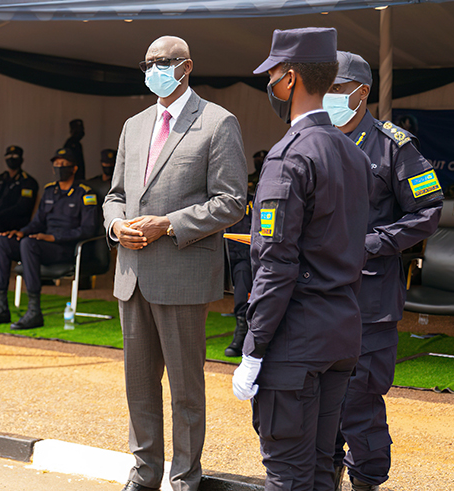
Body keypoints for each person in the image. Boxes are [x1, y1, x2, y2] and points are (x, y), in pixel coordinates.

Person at [103, 36, 247, 491]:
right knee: (139, 387)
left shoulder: (218, 122)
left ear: (186, 67)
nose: (153, 70)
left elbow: (231, 202)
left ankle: (185, 479)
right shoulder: (135, 124)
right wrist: (115, 227)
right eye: (146, 63)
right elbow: (115, 196)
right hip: (132, 274)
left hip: (182, 274)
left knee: (186, 391)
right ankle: (144, 475)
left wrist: (168, 224)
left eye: (161, 62)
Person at [232, 28, 372, 491]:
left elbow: (274, 264)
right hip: (340, 332)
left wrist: (253, 348)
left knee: (287, 475)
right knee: (317, 472)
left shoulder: (288, 156)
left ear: (289, 79)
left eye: (272, 74)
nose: (269, 82)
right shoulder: (351, 153)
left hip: (296, 341)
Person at [324, 51, 444, 491]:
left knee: (360, 399)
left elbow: (428, 211)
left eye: (337, 89)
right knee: (319, 398)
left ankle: (367, 480)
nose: (329, 98)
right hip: (318, 296)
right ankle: (325, 475)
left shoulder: (394, 145)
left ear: (362, 92)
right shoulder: (315, 139)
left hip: (369, 299)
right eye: (325, 89)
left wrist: (372, 244)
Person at [0, 146, 97, 330]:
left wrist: (53, 237)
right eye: (56, 165)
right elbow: (37, 222)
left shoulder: (85, 193)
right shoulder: (50, 191)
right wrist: (21, 232)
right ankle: (1, 307)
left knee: (29, 244)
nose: (59, 168)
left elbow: (88, 229)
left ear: (74, 168)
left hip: (66, 248)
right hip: (42, 244)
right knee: (1, 241)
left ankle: (34, 311)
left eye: (64, 165)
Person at [223, 150, 266, 357]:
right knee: (242, 295)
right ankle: (241, 335)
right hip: (238, 255)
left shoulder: (266, 198)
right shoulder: (232, 202)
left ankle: (254, 339)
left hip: (265, 257)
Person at [0, 145, 38, 281]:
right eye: (9, 157)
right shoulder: (1, 179)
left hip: (16, 221)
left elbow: (23, 207)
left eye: (15, 157)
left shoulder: (28, 181)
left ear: (21, 159)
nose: (11, 160)